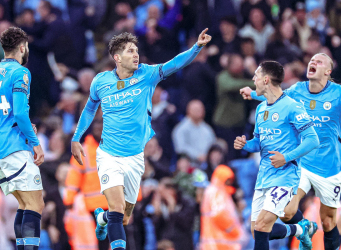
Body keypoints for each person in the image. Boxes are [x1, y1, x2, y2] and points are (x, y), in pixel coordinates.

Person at [70, 29, 212, 250]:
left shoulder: (147, 74)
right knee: (117, 209)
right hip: (109, 155)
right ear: (117, 57)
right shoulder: (101, 81)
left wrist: (197, 47)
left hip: (135, 157)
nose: (136, 54)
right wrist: (76, 137)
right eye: (130, 51)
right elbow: (90, 108)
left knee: (124, 217)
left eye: (136, 50)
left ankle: (102, 218)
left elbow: (175, 64)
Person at [240, 53, 341, 250]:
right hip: (303, 163)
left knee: (329, 222)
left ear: (328, 71)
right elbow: (276, 97)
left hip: (330, 167)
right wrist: (253, 93)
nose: (313, 62)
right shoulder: (297, 90)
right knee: (287, 212)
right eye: (311, 60)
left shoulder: (340, 94)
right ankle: (303, 228)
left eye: (319, 61)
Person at [234, 61, 320, 250]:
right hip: (264, 176)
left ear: (266, 79)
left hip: (285, 175)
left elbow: (313, 140)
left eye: (256, 75)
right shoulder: (260, 109)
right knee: (257, 230)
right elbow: (259, 142)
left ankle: (300, 229)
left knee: (263, 225)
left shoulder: (292, 107)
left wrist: (286, 157)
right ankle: (300, 230)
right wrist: (246, 144)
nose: (253, 79)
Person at [0, 27, 45, 250]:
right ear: (22, 47)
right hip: (14, 147)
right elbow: (18, 112)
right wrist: (36, 144)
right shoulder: (21, 72)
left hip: (2, 149)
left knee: (23, 204)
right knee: (36, 203)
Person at [63, 119, 109, 250]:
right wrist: (69, 200)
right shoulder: (84, 150)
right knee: (101, 240)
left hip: (114, 202)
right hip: (94, 206)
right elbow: (74, 176)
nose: (99, 130)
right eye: (97, 127)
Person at [200, 164, 247, 250]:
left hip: (218, 242)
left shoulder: (217, 191)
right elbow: (219, 215)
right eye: (228, 180)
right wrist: (235, 231)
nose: (229, 182)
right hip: (219, 242)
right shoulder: (216, 193)